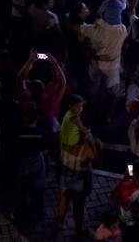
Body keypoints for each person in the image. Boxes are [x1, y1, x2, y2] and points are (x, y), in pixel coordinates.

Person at [56, 94, 99, 237]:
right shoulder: (84, 149)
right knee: (78, 205)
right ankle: (78, 230)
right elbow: (97, 158)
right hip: (78, 179)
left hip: (64, 173)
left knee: (63, 198)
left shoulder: (65, 143)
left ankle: (60, 223)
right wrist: (88, 134)